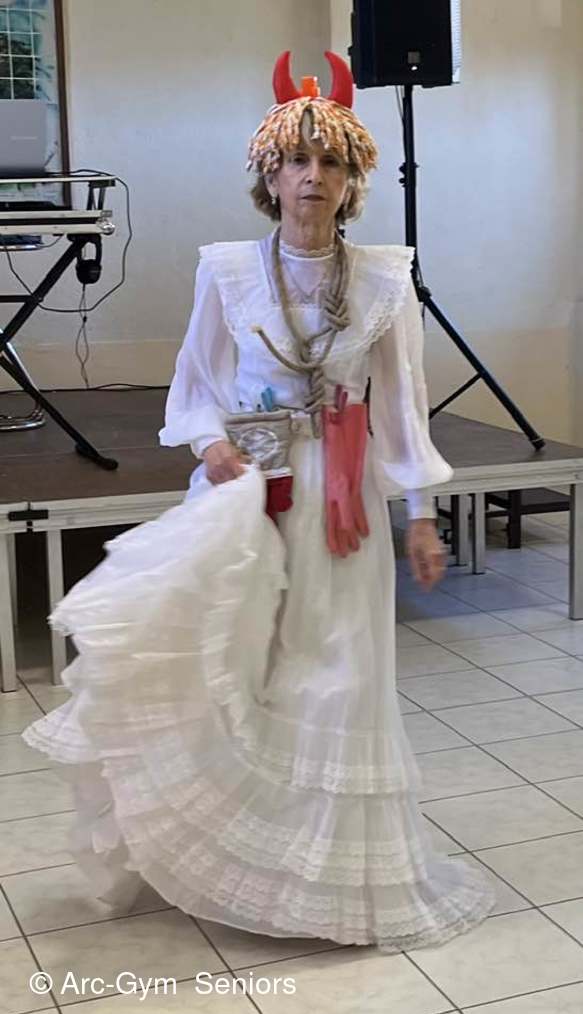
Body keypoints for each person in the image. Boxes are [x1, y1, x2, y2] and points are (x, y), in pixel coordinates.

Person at [22, 51, 496, 952]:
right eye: (296, 161)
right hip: (246, 491)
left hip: (340, 502)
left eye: (330, 163)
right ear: (269, 176)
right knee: (240, 664)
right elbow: (196, 383)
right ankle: (235, 861)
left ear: (352, 181)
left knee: (337, 672)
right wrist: (210, 445)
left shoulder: (384, 279)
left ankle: (328, 881)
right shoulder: (229, 271)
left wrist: (423, 516)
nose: (312, 177)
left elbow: (399, 408)